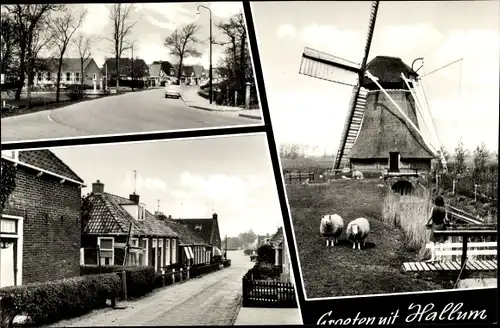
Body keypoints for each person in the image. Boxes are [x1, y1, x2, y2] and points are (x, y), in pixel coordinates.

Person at [426, 195, 450, 262]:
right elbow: (446, 219)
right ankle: (441, 258)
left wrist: (427, 223)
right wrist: (448, 222)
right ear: (442, 202)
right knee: (441, 242)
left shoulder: (433, 208)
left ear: (436, 201)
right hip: (442, 226)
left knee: (432, 242)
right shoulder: (444, 209)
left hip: (435, 226)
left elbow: (430, 217)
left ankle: (433, 258)